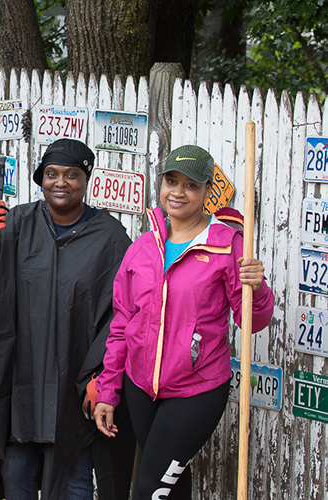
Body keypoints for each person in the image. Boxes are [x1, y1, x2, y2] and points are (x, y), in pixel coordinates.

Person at [0, 139, 137, 500]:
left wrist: (102, 375)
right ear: (41, 178)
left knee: (75, 479)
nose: (61, 183)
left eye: (72, 175)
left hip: (75, 379)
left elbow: (125, 313)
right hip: (21, 380)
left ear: (86, 180)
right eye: (52, 174)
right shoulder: (15, 224)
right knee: (16, 475)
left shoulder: (110, 238)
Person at [93, 145, 274, 500]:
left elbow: (253, 322)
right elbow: (122, 325)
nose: (177, 192)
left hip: (196, 391)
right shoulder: (143, 247)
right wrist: (109, 390)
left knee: (148, 490)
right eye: (171, 181)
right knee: (172, 487)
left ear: (208, 191)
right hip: (141, 388)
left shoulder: (227, 247)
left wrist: (258, 287)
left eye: (190, 185)